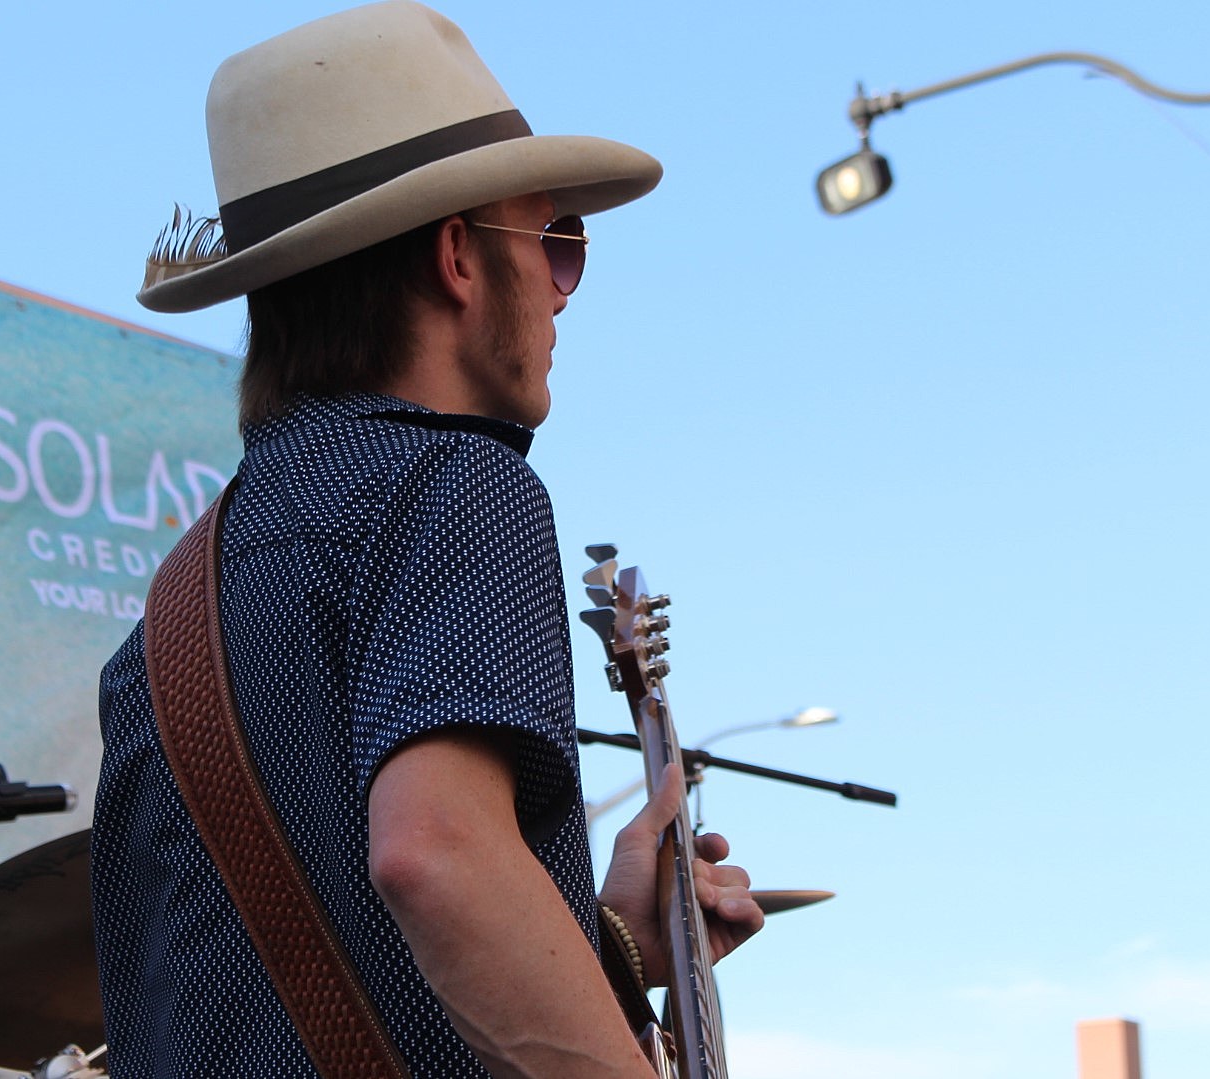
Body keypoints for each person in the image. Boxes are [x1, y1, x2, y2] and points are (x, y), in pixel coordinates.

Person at [90, 4, 763, 1077]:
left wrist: (604, 934)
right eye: (555, 240)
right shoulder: (460, 478)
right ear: (456, 255)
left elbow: (261, 998)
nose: (560, 290)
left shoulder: (171, 619)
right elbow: (435, 855)